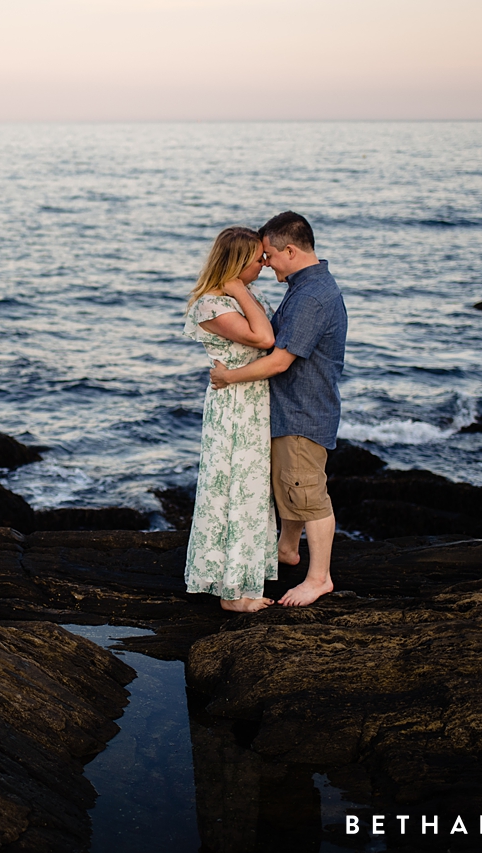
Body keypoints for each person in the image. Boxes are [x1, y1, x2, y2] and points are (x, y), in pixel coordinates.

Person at [210, 211, 347, 607]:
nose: (265, 262)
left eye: (268, 254)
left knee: (308, 495)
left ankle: (318, 579)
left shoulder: (311, 296)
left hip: (302, 414)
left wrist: (228, 378)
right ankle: (287, 549)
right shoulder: (307, 286)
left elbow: (281, 360)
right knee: (291, 487)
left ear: (290, 249)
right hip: (298, 408)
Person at [182, 226, 279, 612]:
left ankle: (243, 580)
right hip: (235, 406)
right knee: (233, 491)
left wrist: (243, 290)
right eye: (258, 259)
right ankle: (232, 593)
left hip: (254, 401)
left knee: (252, 492)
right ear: (238, 265)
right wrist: (238, 288)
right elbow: (264, 339)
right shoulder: (212, 305)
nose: (265, 263)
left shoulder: (246, 296)